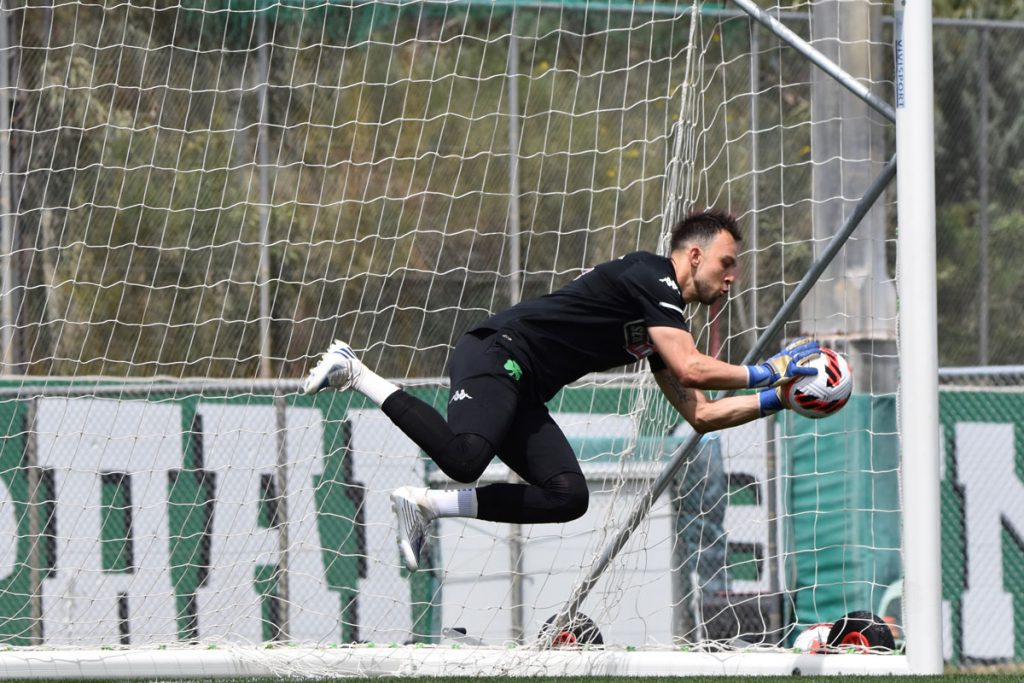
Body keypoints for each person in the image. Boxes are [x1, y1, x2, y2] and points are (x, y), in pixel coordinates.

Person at [302, 209, 818, 572]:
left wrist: (780, 400)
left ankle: (427, 505)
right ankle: (354, 370)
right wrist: (770, 371)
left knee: (568, 496)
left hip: (523, 388)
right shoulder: (651, 275)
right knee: (465, 459)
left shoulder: (663, 322)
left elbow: (702, 415)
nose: (734, 277)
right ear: (694, 256)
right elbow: (693, 369)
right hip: (496, 352)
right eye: (727, 264)